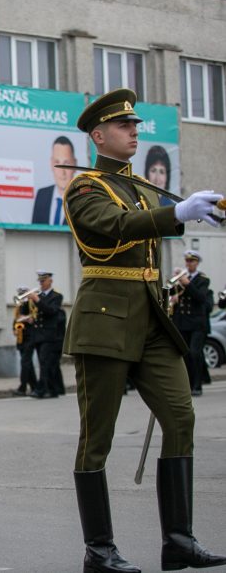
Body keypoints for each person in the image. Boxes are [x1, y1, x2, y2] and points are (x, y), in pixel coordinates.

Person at [64, 88, 225, 572]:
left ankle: (178, 541)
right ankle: (99, 549)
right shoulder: (85, 187)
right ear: (98, 136)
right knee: (98, 437)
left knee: (181, 419)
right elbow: (115, 226)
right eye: (123, 127)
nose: (135, 132)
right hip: (106, 320)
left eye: (135, 126)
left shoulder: (142, 187)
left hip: (152, 318)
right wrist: (177, 213)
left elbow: (145, 221)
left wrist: (197, 209)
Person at [169, 250, 213, 397]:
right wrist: (173, 293)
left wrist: (187, 284)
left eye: (192, 261)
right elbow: (169, 292)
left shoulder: (202, 279)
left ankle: (198, 385)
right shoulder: (180, 279)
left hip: (197, 323)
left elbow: (201, 298)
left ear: (197, 263)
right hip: (182, 322)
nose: (189, 264)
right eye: (187, 261)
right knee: (186, 355)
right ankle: (188, 385)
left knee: (195, 353)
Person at [27, 271, 65, 399]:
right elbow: (38, 314)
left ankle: (41, 389)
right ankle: (53, 389)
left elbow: (51, 311)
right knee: (45, 363)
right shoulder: (40, 296)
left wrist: (37, 299)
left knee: (45, 362)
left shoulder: (56, 296)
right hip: (38, 335)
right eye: (40, 281)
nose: (41, 284)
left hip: (50, 335)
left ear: (50, 281)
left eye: (43, 281)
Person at [32, 135, 78, 225]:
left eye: (66, 163)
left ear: (75, 165)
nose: (62, 172)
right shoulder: (41, 195)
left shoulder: (83, 201)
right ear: (51, 164)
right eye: (57, 163)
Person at [11, 286, 38, 396]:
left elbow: (34, 317)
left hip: (30, 336)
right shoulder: (20, 305)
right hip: (21, 337)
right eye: (20, 293)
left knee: (25, 362)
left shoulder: (31, 303)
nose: (21, 296)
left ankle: (22, 387)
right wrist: (14, 328)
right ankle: (34, 386)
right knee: (28, 363)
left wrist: (26, 318)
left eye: (23, 293)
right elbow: (16, 319)